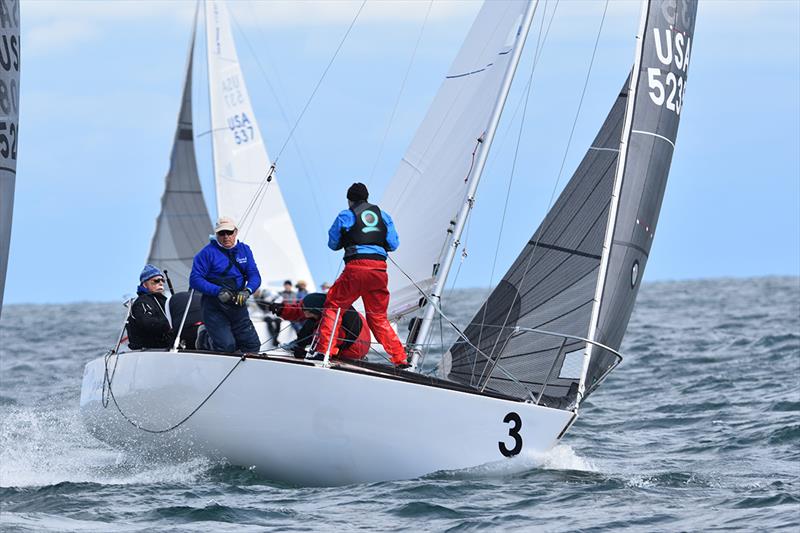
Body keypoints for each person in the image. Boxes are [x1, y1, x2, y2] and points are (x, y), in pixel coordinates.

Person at [314, 182, 408, 367]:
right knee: (378, 316)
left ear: (349, 200)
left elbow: (333, 244)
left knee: (334, 306)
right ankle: (400, 359)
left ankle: (324, 351)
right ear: (367, 198)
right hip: (379, 271)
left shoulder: (346, 215)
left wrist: (347, 239)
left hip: (356, 269)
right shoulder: (384, 216)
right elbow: (394, 244)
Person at [189, 216, 261, 353]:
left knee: (252, 346)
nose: (226, 236)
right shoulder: (206, 253)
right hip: (214, 307)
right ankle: (203, 338)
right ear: (216, 234)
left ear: (236, 232)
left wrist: (247, 291)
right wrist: (218, 291)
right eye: (222, 233)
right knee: (226, 346)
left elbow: (254, 275)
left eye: (229, 232)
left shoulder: (245, 250)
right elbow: (195, 280)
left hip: (237, 305)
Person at [271, 292, 369, 360]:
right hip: (351, 333)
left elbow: (329, 338)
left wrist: (313, 354)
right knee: (312, 321)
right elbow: (300, 310)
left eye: (308, 312)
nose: (305, 315)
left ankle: (300, 346)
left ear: (317, 311)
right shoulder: (319, 303)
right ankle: (298, 344)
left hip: (353, 349)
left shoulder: (330, 317)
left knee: (318, 327)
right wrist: (282, 309)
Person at [127, 264, 173, 350]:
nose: (160, 283)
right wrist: (170, 325)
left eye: (162, 280)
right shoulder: (141, 303)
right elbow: (148, 323)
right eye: (156, 281)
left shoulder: (165, 301)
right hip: (148, 350)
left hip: (166, 347)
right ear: (145, 285)